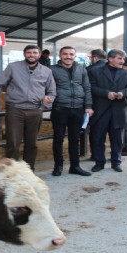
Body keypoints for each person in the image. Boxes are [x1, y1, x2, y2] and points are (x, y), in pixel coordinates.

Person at [0, 44, 56, 170]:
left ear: (39, 54)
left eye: (35, 53)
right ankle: (12, 170)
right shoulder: (13, 67)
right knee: (13, 143)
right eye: (29, 52)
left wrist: (47, 102)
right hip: (15, 109)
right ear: (24, 54)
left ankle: (29, 169)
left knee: (31, 143)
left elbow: (52, 91)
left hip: (35, 110)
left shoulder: (46, 71)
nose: (32, 55)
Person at [49, 46, 93, 177]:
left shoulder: (81, 68)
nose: (68, 57)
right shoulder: (52, 70)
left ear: (75, 55)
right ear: (60, 55)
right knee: (58, 139)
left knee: (75, 139)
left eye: (71, 54)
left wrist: (88, 105)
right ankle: (58, 166)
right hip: (60, 108)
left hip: (78, 108)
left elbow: (87, 87)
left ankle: (75, 166)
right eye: (65, 54)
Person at [89, 49, 127, 173]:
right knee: (98, 138)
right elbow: (90, 88)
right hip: (101, 110)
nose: (123, 61)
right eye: (120, 58)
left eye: (123, 59)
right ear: (110, 59)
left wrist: (122, 93)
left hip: (118, 110)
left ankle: (116, 162)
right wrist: (106, 93)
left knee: (118, 139)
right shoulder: (95, 71)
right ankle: (99, 162)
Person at [86, 48, 108, 158]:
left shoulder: (90, 69)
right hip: (112, 104)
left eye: (90, 58)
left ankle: (95, 154)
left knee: (95, 130)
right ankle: (115, 156)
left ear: (95, 58)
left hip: (95, 104)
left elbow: (87, 88)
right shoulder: (113, 69)